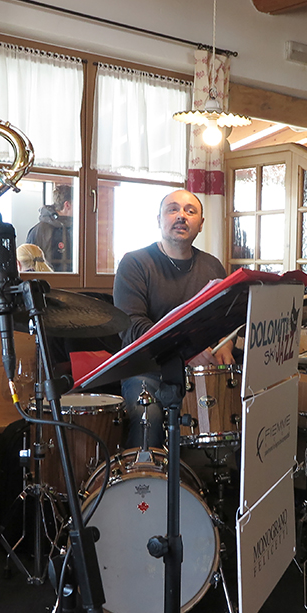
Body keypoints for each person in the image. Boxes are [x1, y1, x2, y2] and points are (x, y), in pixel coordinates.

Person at [113, 189, 231, 449]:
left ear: (200, 225)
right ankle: (142, 482)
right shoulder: (135, 263)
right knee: (149, 416)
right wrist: (188, 350)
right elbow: (133, 327)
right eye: (173, 209)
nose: (181, 216)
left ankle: (235, 487)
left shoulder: (212, 266)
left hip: (200, 371)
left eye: (190, 211)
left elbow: (225, 319)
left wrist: (226, 343)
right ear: (159, 220)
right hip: (147, 369)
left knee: (248, 405)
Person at [26, 184, 73, 272]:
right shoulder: (40, 231)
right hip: (48, 283)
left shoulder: (76, 228)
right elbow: (29, 265)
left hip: (73, 283)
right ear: (67, 205)